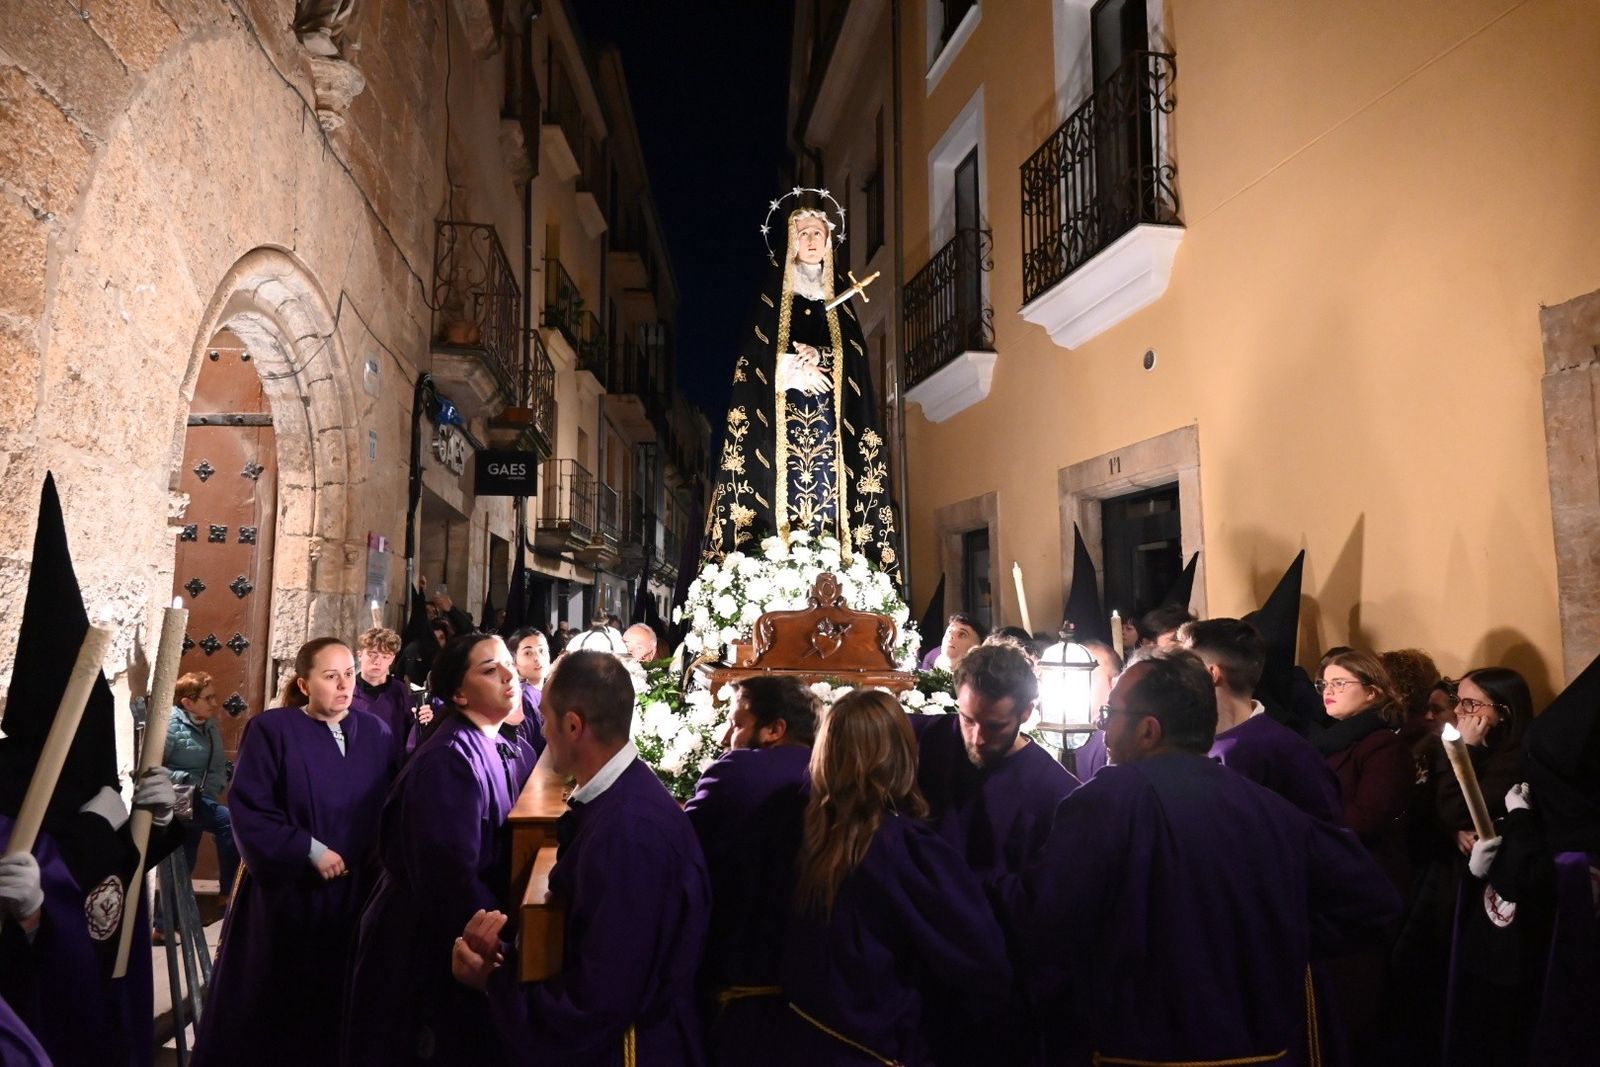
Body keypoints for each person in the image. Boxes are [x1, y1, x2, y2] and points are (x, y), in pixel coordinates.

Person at [994, 650, 1402, 1065]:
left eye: (1109, 714)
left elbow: (1048, 921)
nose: (1103, 730)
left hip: (1139, 1052)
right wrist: (1275, 941)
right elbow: (1374, 904)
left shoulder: (1103, 803)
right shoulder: (1269, 808)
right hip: (1261, 1053)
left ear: (1149, 730)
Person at [451, 650, 710, 1064]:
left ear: (573, 726)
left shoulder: (631, 834)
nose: (543, 732)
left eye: (546, 720)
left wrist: (491, 983)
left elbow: (598, 1001)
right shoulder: (621, 799)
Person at [764, 688, 1011, 1065]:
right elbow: (982, 958)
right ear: (901, 754)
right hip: (875, 1048)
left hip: (803, 1041)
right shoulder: (902, 847)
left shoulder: (799, 830)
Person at [193, 637, 396, 1067]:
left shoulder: (377, 732)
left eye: (349, 674)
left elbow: (390, 806)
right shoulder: (273, 731)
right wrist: (309, 849)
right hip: (291, 898)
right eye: (330, 676)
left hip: (355, 897)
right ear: (304, 685)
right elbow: (249, 809)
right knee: (283, 1013)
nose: (344, 685)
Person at [346, 632, 535, 1065]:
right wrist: (502, 947)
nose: (509, 675)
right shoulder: (449, 761)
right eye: (490, 670)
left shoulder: (501, 743)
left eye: (508, 663)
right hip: (426, 946)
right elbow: (449, 878)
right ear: (458, 693)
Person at [701, 195, 900, 581]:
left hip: (830, 428)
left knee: (832, 499)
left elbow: (856, 360)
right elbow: (753, 362)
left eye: (818, 232)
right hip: (779, 430)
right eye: (803, 232)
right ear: (791, 241)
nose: (810, 239)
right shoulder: (771, 301)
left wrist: (823, 357)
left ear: (828, 241)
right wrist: (790, 362)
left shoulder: (841, 302)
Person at [910, 641, 1078, 1063]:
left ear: (1026, 712)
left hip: (995, 997)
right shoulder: (923, 739)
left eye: (995, 725)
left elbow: (1045, 911)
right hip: (914, 978)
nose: (977, 738)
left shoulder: (1055, 794)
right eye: (967, 719)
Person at [686, 677, 818, 1064]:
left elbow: (681, 849)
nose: (728, 734)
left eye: (737, 723)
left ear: (775, 729)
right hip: (810, 981)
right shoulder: (829, 774)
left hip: (738, 967)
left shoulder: (737, 772)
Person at [1179, 619, 1344, 824]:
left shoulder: (1287, 751)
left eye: (1183, 668)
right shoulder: (1188, 748)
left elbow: (1327, 835)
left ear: (1211, 674)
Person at [163, 671, 241, 905]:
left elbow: (216, 764)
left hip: (200, 797)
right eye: (207, 698)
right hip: (178, 795)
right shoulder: (171, 726)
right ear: (187, 702)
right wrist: (185, 778)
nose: (214, 703)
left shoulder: (210, 726)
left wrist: (214, 786)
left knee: (185, 856)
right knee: (227, 821)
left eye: (214, 697)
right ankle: (229, 892)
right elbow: (151, 766)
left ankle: (163, 925)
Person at [351, 626, 417, 757]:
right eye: (372, 654)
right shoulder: (346, 690)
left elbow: (413, 734)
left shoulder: (402, 692)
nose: (377, 662)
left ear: (392, 659)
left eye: (385, 656)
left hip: (390, 768)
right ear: (360, 655)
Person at [506, 626, 550, 762]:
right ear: (514, 662)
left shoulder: (549, 691)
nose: (538, 658)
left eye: (542, 651)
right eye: (528, 653)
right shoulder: (522, 698)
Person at [919, 612, 985, 672]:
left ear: (977, 647)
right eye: (950, 631)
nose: (951, 636)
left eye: (962, 634)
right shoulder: (931, 657)